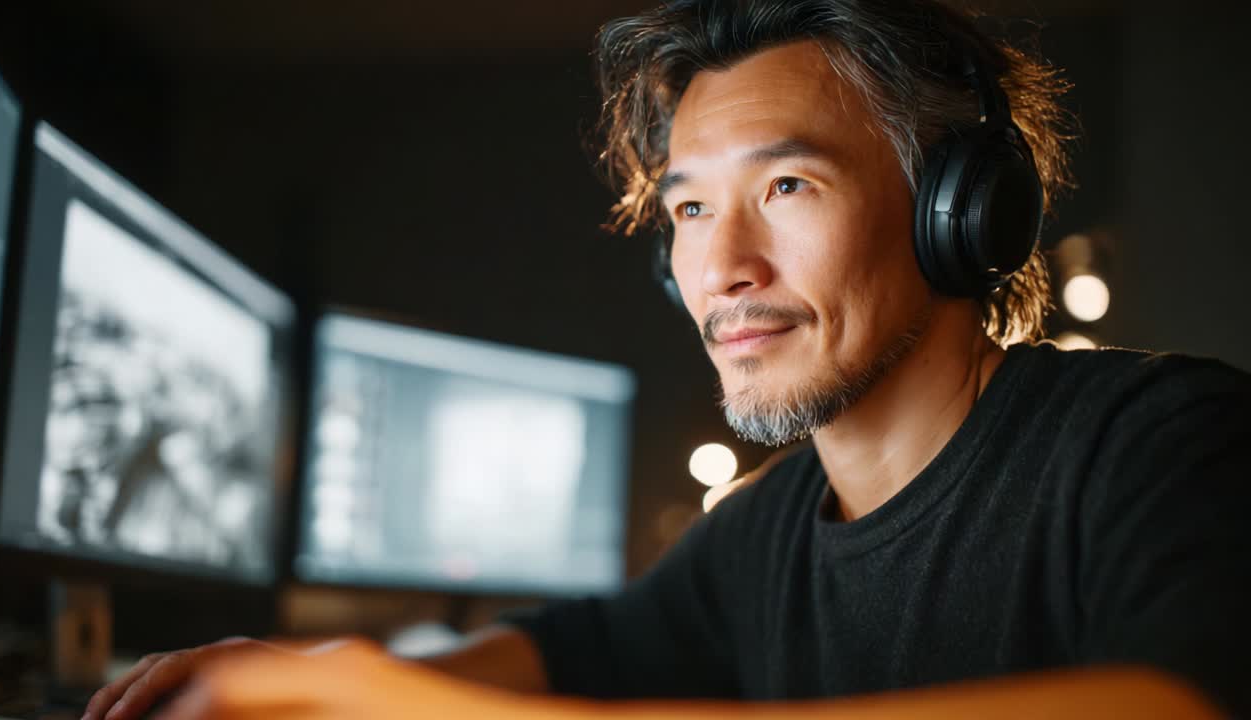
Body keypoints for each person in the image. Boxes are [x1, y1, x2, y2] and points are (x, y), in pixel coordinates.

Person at [83, 1, 1251, 718]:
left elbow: (1178, 704)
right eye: (689, 211)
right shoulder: (768, 531)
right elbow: (572, 648)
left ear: (958, 211)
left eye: (786, 186)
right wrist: (317, 672)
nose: (721, 268)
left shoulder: (1160, 443)